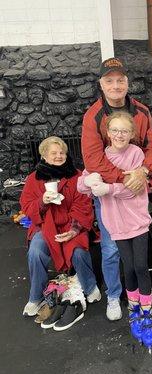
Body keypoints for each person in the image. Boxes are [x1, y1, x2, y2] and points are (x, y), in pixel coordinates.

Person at [81, 57, 152, 321]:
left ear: (127, 82)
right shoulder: (93, 116)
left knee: (137, 246)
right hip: (110, 193)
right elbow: (93, 160)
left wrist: (143, 171)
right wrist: (124, 180)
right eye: (109, 80)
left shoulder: (142, 112)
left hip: (136, 188)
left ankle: (140, 288)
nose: (116, 85)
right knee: (112, 248)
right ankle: (115, 295)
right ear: (101, 84)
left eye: (120, 80)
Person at [78, 112, 152, 350]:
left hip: (137, 221)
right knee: (129, 267)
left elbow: (134, 187)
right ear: (107, 133)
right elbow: (81, 185)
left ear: (132, 134)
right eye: (115, 130)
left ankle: (147, 311)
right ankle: (133, 305)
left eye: (124, 131)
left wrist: (107, 188)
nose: (119, 135)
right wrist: (89, 181)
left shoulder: (136, 154)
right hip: (117, 225)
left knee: (141, 266)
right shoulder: (100, 157)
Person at [20, 136, 100, 329]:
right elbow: (26, 207)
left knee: (79, 251)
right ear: (44, 156)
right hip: (45, 226)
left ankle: (90, 287)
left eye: (62, 152)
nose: (58, 156)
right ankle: (36, 296)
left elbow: (83, 206)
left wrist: (73, 231)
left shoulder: (77, 176)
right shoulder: (34, 179)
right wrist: (42, 201)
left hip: (73, 225)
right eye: (53, 153)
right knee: (36, 252)